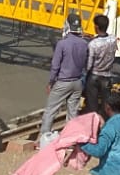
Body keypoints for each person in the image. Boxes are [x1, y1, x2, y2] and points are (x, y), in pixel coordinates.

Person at [38, 13, 89, 145]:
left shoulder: (62, 44)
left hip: (63, 82)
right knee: (73, 112)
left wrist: (51, 82)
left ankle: (44, 138)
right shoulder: (84, 44)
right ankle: (72, 140)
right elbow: (86, 65)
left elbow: (55, 66)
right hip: (77, 82)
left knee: (51, 110)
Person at [84, 13, 118, 116]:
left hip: (94, 76)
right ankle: (104, 122)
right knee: (105, 105)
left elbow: (89, 65)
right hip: (107, 76)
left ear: (96, 27)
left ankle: (94, 124)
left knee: (92, 105)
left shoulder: (93, 44)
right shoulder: (113, 40)